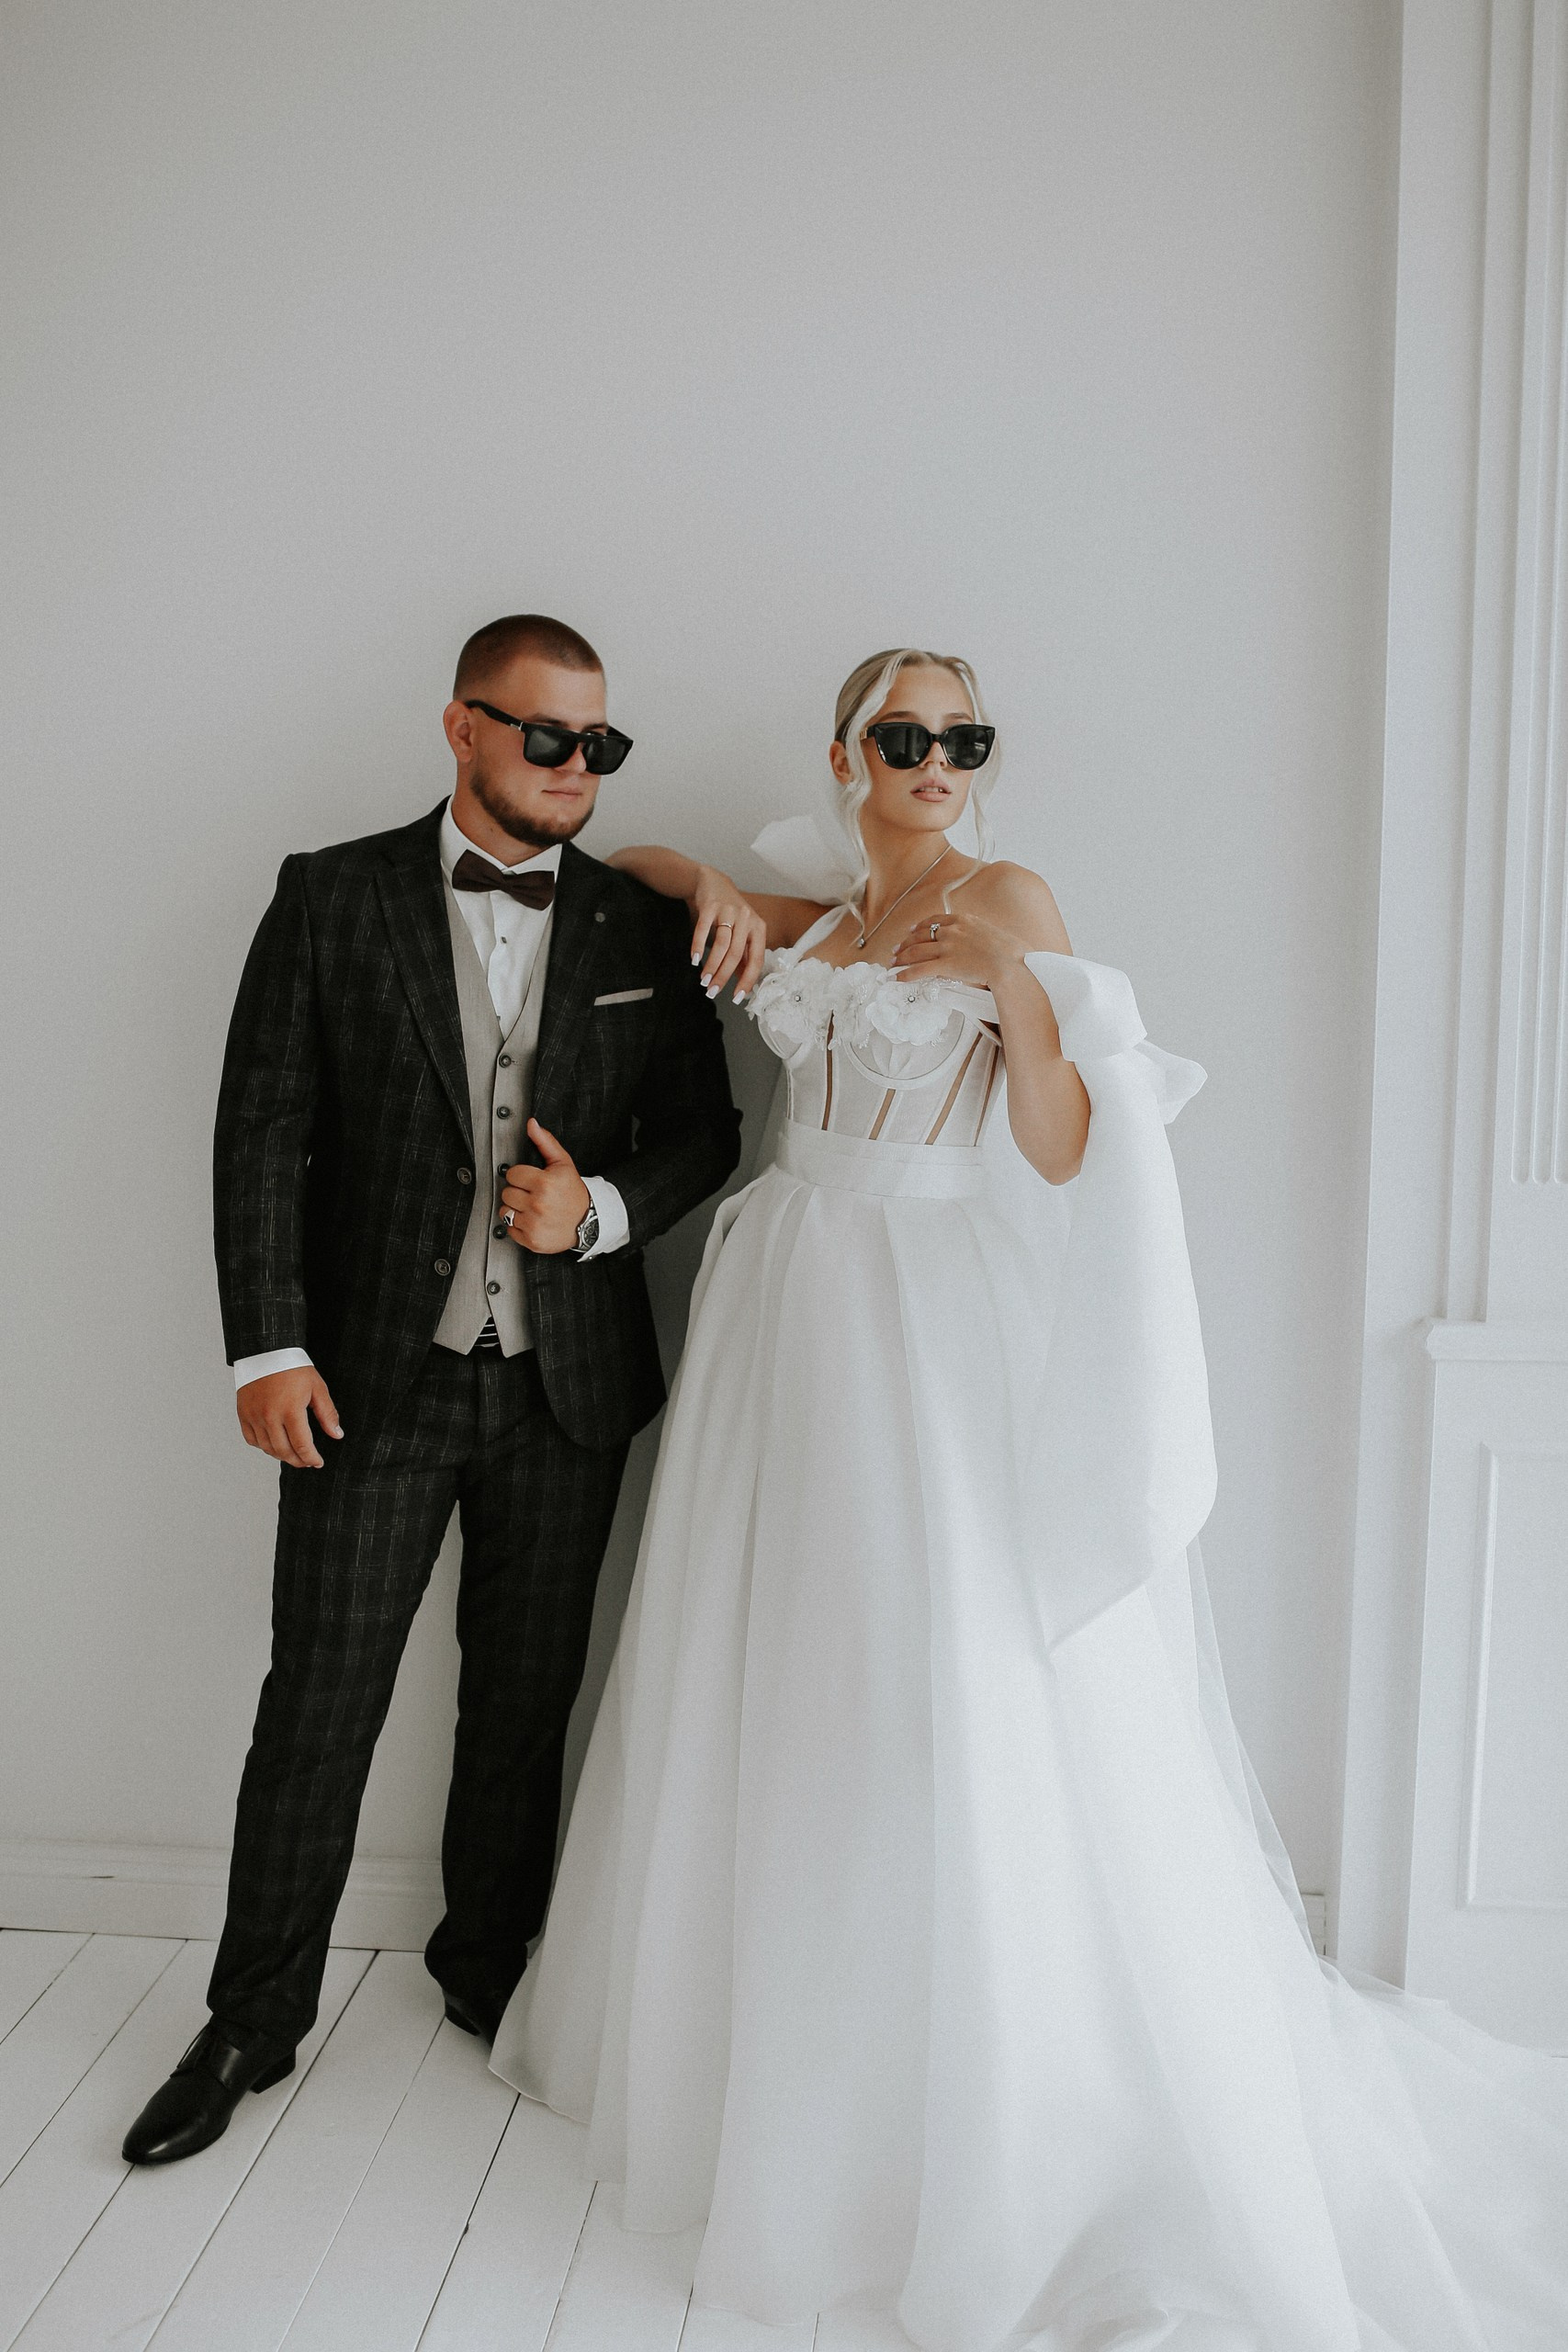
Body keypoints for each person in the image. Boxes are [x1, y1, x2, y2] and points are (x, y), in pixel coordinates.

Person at [491, 647, 1568, 2351]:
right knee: (784, 1645)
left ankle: (970, 2068)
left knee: (936, 1661)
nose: (939, 760)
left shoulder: (1005, 902)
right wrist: (715, 890)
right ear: (848, 752)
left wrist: (1025, 996)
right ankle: (761, 2030)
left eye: (966, 737)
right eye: (906, 735)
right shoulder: (838, 913)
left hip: (917, 1309)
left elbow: (1062, 1144)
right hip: (789, 1294)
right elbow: (646, 870)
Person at [121, 613, 741, 2166]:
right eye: (549, 737)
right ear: (462, 727)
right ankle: (253, 2016)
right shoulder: (330, 897)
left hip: (565, 1391)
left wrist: (598, 1211)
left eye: (601, 744)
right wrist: (267, 1348)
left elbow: (706, 1133)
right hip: (368, 1386)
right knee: (317, 1705)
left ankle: (488, 1972)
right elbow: (261, 1131)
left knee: (523, 1707)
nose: (578, 768)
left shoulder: (639, 925)